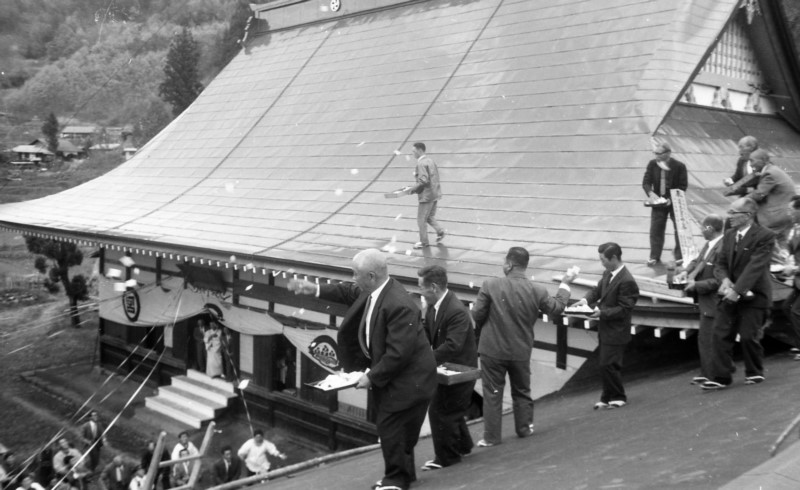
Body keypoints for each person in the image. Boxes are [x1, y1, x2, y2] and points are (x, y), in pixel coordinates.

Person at [288, 248, 437, 490]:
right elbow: (347, 291)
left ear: (371, 276)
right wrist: (314, 288)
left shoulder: (399, 305)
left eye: (355, 273)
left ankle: (396, 480)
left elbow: (398, 354)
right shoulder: (374, 290)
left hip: (411, 379)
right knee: (397, 429)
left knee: (390, 426)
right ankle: (404, 476)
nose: (352, 278)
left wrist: (371, 377)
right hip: (393, 374)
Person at [471, 247, 575, 446]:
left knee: (492, 393)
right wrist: (565, 284)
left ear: (509, 264)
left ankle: (491, 438)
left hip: (492, 349)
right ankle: (524, 428)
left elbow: (477, 314)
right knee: (522, 390)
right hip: (520, 349)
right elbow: (556, 308)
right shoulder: (537, 290)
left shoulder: (490, 285)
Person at [701, 197, 775, 390]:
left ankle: (754, 371)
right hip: (730, 293)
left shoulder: (765, 236)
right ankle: (721, 376)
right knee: (720, 334)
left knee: (749, 336)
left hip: (754, 294)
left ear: (748, 215)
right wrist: (724, 280)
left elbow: (755, 267)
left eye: (734, 213)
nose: (730, 216)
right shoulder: (729, 235)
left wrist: (736, 290)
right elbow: (721, 263)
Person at [416, 265, 477, 471]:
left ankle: (447, 457)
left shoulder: (456, 310)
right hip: (447, 367)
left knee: (440, 411)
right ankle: (463, 446)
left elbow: (452, 345)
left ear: (433, 287)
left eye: (421, 287)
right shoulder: (434, 306)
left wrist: (424, 361)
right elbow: (426, 331)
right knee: (451, 410)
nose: (420, 292)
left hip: (461, 369)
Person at [574, 243, 640, 409]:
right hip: (607, 328)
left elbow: (624, 309)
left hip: (617, 330)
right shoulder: (608, 273)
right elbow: (597, 290)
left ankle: (618, 396)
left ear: (614, 258)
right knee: (605, 364)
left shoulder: (627, 280)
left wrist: (601, 313)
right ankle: (607, 397)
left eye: (603, 260)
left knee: (608, 364)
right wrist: (584, 300)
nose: (602, 263)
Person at [679, 215, 724, 384]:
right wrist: (686, 271)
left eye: (702, 228)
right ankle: (707, 372)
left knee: (709, 339)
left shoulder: (721, 248)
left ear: (710, 228)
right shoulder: (710, 244)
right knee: (705, 339)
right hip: (707, 301)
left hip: (714, 301)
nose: (700, 231)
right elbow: (699, 261)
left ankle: (714, 375)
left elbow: (719, 280)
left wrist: (696, 285)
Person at [642, 142, 688, 266]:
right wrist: (651, 193)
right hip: (659, 202)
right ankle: (654, 256)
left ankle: (679, 256)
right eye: (655, 153)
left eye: (659, 153)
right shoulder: (652, 164)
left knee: (679, 229)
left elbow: (683, 186)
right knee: (656, 229)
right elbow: (646, 182)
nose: (656, 156)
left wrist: (671, 199)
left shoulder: (679, 166)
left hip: (675, 202)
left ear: (668, 153)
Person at [748, 149, 794, 250]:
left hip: (775, 217)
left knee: (767, 245)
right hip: (785, 214)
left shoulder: (769, 174)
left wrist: (744, 198)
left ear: (763, 161)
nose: (750, 164)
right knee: (781, 244)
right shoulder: (773, 170)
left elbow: (759, 195)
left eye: (752, 161)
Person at [405, 142, 445, 249]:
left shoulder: (421, 164)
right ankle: (440, 231)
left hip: (426, 196)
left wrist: (412, 189)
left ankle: (424, 242)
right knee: (430, 216)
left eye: (414, 151)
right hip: (434, 193)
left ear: (419, 150)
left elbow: (423, 180)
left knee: (421, 219)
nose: (413, 153)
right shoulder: (430, 161)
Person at [783, 196, 800, 361]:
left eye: (791, 210)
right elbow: (790, 250)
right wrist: (787, 260)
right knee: (787, 307)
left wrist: (794, 268)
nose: (788, 213)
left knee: (795, 311)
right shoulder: (794, 228)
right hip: (797, 280)